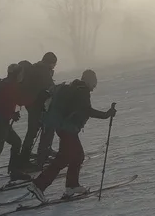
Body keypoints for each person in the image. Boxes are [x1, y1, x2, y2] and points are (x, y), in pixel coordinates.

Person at [26, 69, 116, 202]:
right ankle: (39, 185)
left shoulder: (75, 88)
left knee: (70, 157)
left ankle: (71, 186)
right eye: (94, 82)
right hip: (68, 130)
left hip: (64, 128)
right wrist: (106, 114)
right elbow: (86, 110)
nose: (94, 86)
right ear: (89, 81)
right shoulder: (82, 91)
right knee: (71, 157)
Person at [18, 51, 58, 169]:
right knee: (44, 128)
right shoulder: (43, 70)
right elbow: (51, 88)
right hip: (37, 105)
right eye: (54, 64)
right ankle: (38, 154)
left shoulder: (37, 68)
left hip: (32, 104)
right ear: (51, 63)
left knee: (34, 130)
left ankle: (29, 155)